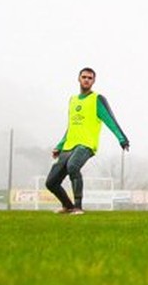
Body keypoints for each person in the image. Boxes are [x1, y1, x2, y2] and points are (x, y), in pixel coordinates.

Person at [46, 67, 130, 215]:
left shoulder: (97, 99)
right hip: (69, 146)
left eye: (90, 78)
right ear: (78, 79)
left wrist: (122, 138)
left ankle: (78, 207)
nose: (86, 80)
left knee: (73, 166)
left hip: (86, 145)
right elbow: (71, 126)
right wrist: (59, 146)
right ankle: (68, 206)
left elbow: (110, 120)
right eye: (84, 77)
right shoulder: (73, 100)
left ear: (94, 81)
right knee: (51, 182)